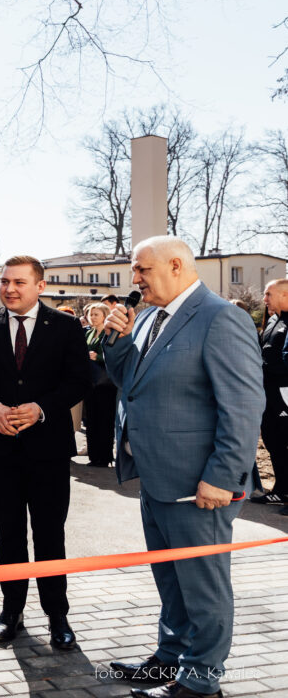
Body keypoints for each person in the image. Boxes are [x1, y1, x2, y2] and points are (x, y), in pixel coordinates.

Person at [104, 236, 263, 698]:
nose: (134, 279)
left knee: (203, 588)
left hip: (199, 485)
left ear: (176, 265)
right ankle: (168, 660)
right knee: (171, 581)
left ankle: (200, 682)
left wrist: (221, 475)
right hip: (155, 479)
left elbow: (244, 406)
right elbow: (130, 384)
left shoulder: (221, 318)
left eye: (141, 270)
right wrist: (115, 339)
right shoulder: (151, 316)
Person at [0, 255, 90, 650]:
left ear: (40, 286)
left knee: (50, 534)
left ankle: (58, 615)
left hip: (48, 449)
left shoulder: (65, 327)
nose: (9, 289)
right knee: (9, 534)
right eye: (3, 282)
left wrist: (42, 408)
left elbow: (80, 379)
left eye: (18, 282)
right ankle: (10, 611)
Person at [254, 279, 288, 511]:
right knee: (273, 442)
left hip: (286, 393)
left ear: (285, 295)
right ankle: (280, 491)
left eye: (268, 294)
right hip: (268, 394)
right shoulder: (273, 320)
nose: (264, 300)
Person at [84, 302, 117, 467]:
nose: (92, 317)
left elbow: (115, 357)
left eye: (96, 314)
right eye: (91, 314)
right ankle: (94, 455)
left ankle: (104, 456)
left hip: (106, 384)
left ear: (105, 315)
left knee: (105, 420)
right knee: (91, 420)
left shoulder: (109, 334)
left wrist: (97, 357)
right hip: (90, 383)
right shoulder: (89, 333)